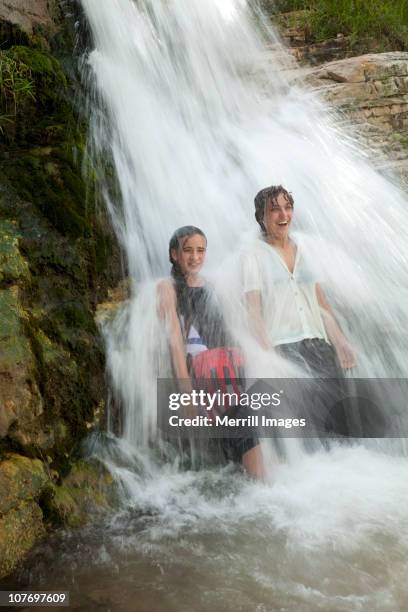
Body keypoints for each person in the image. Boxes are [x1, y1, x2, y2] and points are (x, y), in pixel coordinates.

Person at [243, 185, 357, 434]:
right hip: (285, 350)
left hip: (319, 346)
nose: (283, 215)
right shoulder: (254, 256)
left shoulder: (305, 250)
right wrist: (268, 360)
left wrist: (340, 341)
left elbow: (320, 303)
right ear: (261, 217)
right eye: (274, 210)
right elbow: (254, 313)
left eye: (288, 207)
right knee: (306, 431)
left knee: (339, 429)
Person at [158, 225, 265, 478]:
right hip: (204, 374)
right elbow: (175, 339)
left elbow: (231, 327)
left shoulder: (213, 285)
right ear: (174, 254)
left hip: (229, 368)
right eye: (188, 251)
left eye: (200, 251)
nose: (195, 257)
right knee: (244, 421)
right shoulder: (167, 287)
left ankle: (252, 491)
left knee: (241, 430)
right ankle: (265, 488)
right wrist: (186, 394)